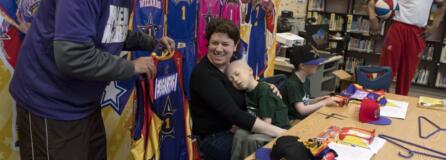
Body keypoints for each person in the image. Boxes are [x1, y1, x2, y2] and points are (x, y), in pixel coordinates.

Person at [9, 0, 175, 159]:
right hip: (49, 105)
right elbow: (72, 55)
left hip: (85, 105)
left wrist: (152, 43)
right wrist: (131, 67)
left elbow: (110, 30)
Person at [189, 18, 285, 160]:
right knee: (272, 148)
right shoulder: (204, 74)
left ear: (235, 46)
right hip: (215, 137)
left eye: (225, 44)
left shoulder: (233, 64)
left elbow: (250, 83)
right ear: (208, 44)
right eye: (214, 43)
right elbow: (233, 113)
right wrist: (281, 132)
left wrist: (266, 88)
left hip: (237, 128)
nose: (219, 49)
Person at [368, 0, 446, 95]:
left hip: (417, 33)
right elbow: (372, 2)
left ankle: (401, 103)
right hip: (398, 27)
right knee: (386, 69)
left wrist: (435, 26)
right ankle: (377, 99)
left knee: (407, 74)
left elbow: (442, 4)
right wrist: (372, 17)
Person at [225, 60, 290, 160]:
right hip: (262, 129)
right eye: (232, 80)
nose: (236, 80)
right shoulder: (246, 92)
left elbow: (266, 123)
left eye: (237, 74)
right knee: (239, 134)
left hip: (277, 131)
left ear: (250, 71)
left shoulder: (264, 91)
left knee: (252, 140)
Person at [281, 46, 338, 122]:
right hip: (293, 121)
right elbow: (302, 110)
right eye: (315, 63)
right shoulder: (292, 84)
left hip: (303, 118)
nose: (317, 65)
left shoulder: (306, 80)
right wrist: (324, 102)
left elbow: (304, 101)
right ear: (302, 66)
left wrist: (316, 100)